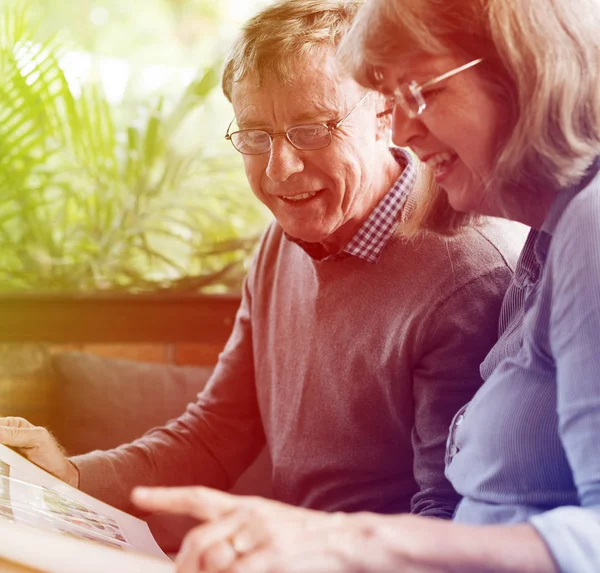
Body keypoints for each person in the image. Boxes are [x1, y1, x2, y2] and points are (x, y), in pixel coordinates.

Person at [1, 0, 521, 535]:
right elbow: (217, 432)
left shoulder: (468, 277)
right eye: (254, 136)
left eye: (312, 128)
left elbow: (450, 524)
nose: (280, 170)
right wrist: (69, 476)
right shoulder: (284, 238)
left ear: (384, 112)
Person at [130, 0, 600, 571]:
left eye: (421, 91)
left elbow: (455, 513)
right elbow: (218, 428)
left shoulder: (564, 235)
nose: (403, 127)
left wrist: (344, 542)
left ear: (523, 72)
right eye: (397, 96)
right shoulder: (546, 244)